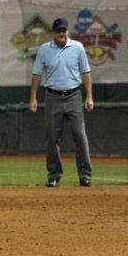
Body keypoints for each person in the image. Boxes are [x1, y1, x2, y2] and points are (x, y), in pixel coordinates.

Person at [29, 18, 93, 187]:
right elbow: (37, 74)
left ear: (67, 32)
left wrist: (89, 96)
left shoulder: (77, 47)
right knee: (51, 137)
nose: (61, 33)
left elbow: (85, 73)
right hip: (53, 97)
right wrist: (33, 97)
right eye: (58, 31)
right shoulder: (44, 50)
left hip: (73, 95)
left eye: (64, 30)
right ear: (53, 33)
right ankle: (54, 175)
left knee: (80, 135)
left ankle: (85, 175)